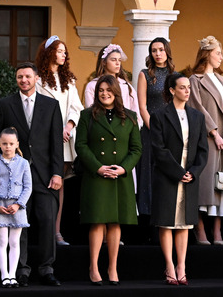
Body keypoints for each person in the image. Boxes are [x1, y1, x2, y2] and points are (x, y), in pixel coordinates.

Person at [0, 63, 63, 287]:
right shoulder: (5, 104)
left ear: (36, 78)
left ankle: (46, 269)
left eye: (27, 76)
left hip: (45, 174)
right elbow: (0, 139)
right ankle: (21, 270)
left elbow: (56, 142)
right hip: (15, 176)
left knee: (46, 221)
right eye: (19, 77)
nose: (23, 80)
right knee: (19, 224)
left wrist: (57, 172)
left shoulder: (51, 105)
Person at [75, 75, 142, 286]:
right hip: (96, 176)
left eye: (108, 90)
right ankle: (93, 267)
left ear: (116, 92)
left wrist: (123, 168)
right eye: (101, 90)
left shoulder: (130, 117)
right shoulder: (87, 116)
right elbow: (81, 146)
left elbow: (136, 149)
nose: (104, 93)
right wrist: (98, 167)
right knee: (97, 222)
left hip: (120, 177)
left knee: (115, 222)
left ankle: (112, 267)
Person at [150, 73, 208, 286]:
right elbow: (158, 149)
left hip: (190, 175)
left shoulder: (197, 116)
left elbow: (203, 150)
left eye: (188, 88)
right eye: (182, 87)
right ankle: (169, 265)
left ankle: (182, 265)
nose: (186, 91)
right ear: (172, 90)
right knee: (166, 222)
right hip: (167, 175)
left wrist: (193, 171)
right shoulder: (159, 116)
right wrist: (177, 171)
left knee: (185, 223)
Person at [188, 36, 223, 245]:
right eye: (218, 53)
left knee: (222, 183)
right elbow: (197, 107)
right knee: (204, 184)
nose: (221, 58)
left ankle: (217, 231)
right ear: (207, 54)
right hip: (206, 139)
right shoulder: (195, 80)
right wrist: (214, 133)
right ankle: (200, 230)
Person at [35, 36, 83, 246]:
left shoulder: (69, 81)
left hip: (63, 140)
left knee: (59, 184)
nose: (64, 55)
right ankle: (41, 231)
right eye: (60, 51)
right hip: (44, 141)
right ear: (50, 52)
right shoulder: (38, 80)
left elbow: (76, 107)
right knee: (42, 184)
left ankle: (56, 231)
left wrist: (69, 126)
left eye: (65, 52)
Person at [0, 127, 32, 288]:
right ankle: (4, 275)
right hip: (0, 207)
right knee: (2, 240)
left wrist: (19, 204)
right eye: (4, 143)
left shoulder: (24, 163)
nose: (8, 146)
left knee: (14, 241)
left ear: (17, 144)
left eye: (11, 143)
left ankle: (13, 275)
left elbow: (28, 187)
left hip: (17, 207)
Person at [137, 37, 176, 220]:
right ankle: (148, 219)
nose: (158, 53)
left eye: (161, 49)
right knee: (149, 173)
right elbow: (142, 106)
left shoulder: (174, 75)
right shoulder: (145, 74)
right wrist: (153, 128)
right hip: (151, 130)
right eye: (154, 50)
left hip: (172, 131)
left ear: (167, 51)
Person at [83, 44, 142, 127]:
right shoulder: (92, 85)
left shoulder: (126, 86)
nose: (118, 63)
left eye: (119, 60)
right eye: (113, 60)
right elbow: (91, 112)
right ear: (104, 62)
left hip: (124, 130)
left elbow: (135, 112)